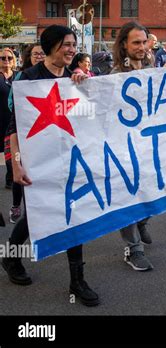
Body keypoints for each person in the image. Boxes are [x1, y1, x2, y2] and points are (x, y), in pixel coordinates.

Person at [1, 25, 99, 306]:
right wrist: (16, 164)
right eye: (66, 44)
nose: (71, 50)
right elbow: (14, 126)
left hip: (69, 162)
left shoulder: (74, 79)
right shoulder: (28, 79)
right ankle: (10, 257)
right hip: (37, 161)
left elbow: (91, 115)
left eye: (73, 44)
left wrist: (86, 86)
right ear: (51, 46)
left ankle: (77, 280)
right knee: (35, 217)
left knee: (73, 213)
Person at [110, 21, 155, 271]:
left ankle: (142, 221)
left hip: (151, 146)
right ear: (124, 45)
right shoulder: (114, 76)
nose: (141, 47)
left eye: (144, 42)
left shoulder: (152, 70)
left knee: (158, 190)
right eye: (135, 42)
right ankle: (133, 249)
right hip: (124, 150)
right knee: (128, 197)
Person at [4, 44, 45, 224]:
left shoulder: (52, 76)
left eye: (43, 54)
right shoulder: (22, 76)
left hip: (42, 135)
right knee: (18, 168)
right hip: (21, 133)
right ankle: (15, 205)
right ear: (29, 57)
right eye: (36, 54)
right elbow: (12, 103)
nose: (39, 57)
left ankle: (35, 212)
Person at [0, 48, 18, 190]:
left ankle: (11, 177)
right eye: (3, 58)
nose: (6, 60)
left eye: (9, 58)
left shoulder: (19, 77)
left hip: (14, 123)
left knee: (13, 154)